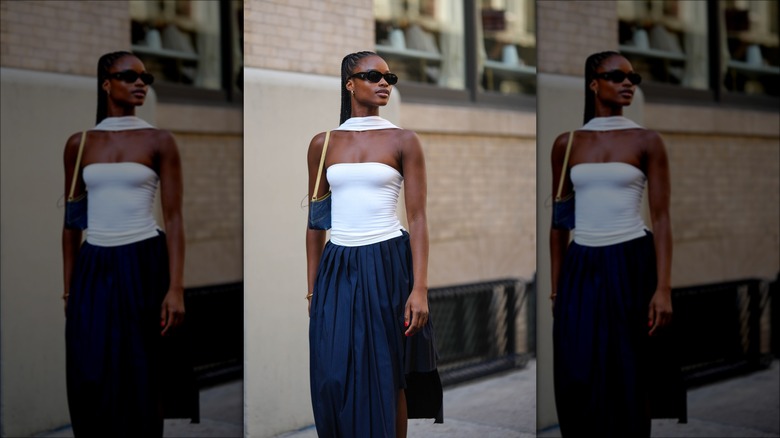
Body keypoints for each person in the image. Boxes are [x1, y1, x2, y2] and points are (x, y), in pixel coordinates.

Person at [306, 51, 443, 438]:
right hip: (337, 266)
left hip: (388, 261)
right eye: (373, 76)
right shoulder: (323, 143)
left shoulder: (403, 140)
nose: (385, 83)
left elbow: (417, 218)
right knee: (332, 374)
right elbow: (316, 224)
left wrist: (420, 288)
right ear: (350, 83)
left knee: (387, 374)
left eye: (389, 78)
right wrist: (313, 288)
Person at [62, 51, 197, 437]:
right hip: (94, 265)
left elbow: (173, 217)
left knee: (142, 371)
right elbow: (71, 225)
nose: (141, 83)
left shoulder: (159, 140)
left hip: (143, 261)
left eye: (145, 78)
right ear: (106, 83)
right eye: (129, 76)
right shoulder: (79, 143)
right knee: (91, 370)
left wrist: (175, 288)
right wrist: (69, 288)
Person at [550, 51, 677, 437]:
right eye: (617, 76)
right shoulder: (567, 143)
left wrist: (664, 288)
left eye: (633, 78)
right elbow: (558, 224)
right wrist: (557, 288)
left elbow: (662, 217)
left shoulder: (647, 140)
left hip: (631, 260)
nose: (628, 83)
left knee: (630, 370)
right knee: (577, 371)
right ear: (594, 84)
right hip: (581, 265)